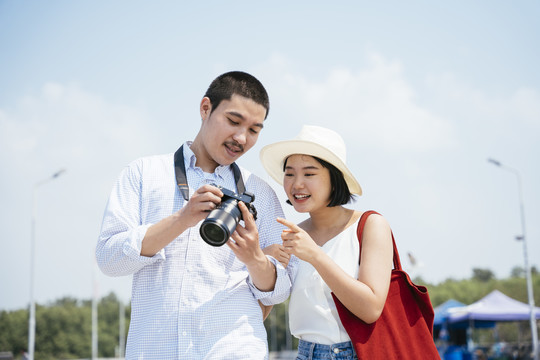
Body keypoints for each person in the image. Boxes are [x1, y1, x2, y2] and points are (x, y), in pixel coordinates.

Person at [96, 71, 295, 359]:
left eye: (254, 130)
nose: (241, 138)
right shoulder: (143, 173)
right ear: (205, 109)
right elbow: (109, 260)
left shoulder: (260, 193)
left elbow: (277, 293)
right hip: (156, 350)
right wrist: (181, 220)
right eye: (234, 121)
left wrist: (255, 259)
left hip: (233, 349)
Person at [259, 125, 394, 360]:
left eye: (309, 174)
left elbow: (371, 308)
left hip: (355, 354)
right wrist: (258, 263)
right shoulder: (289, 236)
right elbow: (260, 311)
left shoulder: (370, 225)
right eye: (289, 173)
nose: (296, 184)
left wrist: (315, 255)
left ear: (335, 178)